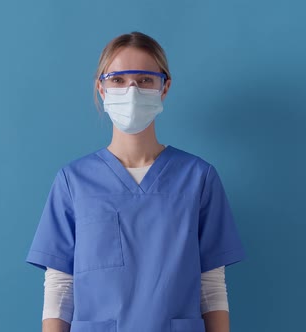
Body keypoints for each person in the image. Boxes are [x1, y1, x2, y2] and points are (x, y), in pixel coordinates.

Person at [26, 31, 245, 332]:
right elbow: (60, 287)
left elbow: (211, 286)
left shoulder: (198, 178)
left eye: (144, 80)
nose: (131, 91)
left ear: (164, 87)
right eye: (118, 80)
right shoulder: (74, 182)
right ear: (101, 88)